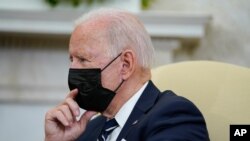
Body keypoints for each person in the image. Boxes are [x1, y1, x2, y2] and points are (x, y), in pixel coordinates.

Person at [44, 8, 210, 141]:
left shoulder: (173, 117)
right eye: (71, 59)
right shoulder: (86, 131)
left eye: (83, 59)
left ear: (126, 64)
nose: (73, 69)